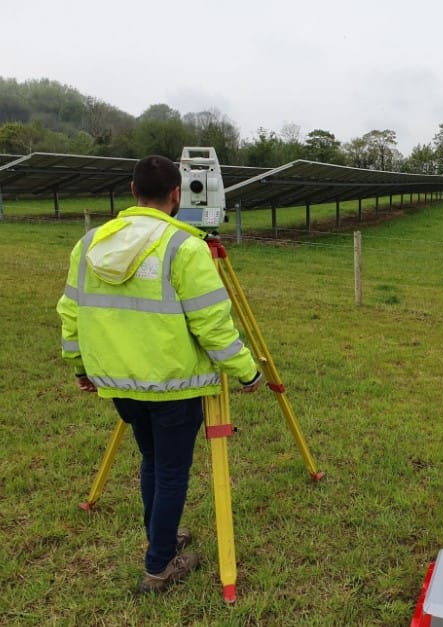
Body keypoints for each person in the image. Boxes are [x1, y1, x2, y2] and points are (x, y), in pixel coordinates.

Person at [57, 155, 262, 594]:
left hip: (117, 383)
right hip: (174, 385)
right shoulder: (183, 248)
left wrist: (79, 367)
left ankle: (162, 537)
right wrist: (247, 372)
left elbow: (71, 313)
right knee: (170, 471)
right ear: (176, 195)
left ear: (132, 191)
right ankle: (159, 565)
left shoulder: (91, 243)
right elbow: (213, 324)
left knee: (152, 461)